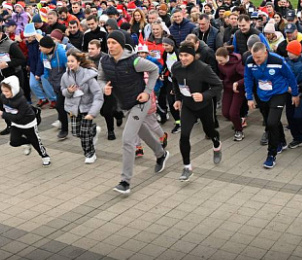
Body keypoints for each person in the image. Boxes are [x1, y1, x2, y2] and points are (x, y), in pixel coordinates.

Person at [98, 30, 170, 195]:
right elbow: (100, 78)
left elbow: (154, 70)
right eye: (108, 43)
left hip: (141, 102)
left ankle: (125, 181)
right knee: (141, 131)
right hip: (125, 104)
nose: (110, 46)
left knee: (127, 139)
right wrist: (104, 88)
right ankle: (161, 154)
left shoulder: (135, 60)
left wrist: (147, 91)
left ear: (122, 45)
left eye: (114, 43)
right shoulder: (104, 61)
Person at [171, 41, 224, 181]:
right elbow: (175, 82)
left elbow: (218, 85)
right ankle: (187, 167)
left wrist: (204, 95)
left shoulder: (203, 68)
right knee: (184, 136)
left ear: (193, 56)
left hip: (204, 106)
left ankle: (217, 143)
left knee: (209, 131)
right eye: (181, 55)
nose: (183, 58)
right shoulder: (176, 67)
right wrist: (178, 99)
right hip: (188, 106)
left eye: (186, 55)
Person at [244, 42, 300, 169]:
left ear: (266, 53)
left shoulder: (278, 61)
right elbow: (247, 78)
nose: (256, 60)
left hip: (278, 93)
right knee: (271, 120)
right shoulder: (249, 61)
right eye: (254, 57)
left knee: (271, 123)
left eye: (258, 57)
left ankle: (271, 155)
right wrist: (249, 97)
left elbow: (290, 77)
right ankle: (281, 140)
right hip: (262, 95)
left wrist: (295, 94)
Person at [0, 76, 50, 165]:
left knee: (36, 143)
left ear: (14, 90)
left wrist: (3, 114)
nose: (4, 93)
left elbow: (19, 116)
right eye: (3, 91)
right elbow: (8, 111)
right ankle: (28, 142)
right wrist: (5, 115)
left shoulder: (21, 100)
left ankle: (45, 156)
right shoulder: (3, 97)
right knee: (14, 142)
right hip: (16, 124)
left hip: (28, 123)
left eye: (7, 91)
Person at [60, 52, 104, 164]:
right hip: (73, 109)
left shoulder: (88, 76)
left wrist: (93, 112)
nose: (69, 64)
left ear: (78, 62)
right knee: (76, 133)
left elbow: (98, 94)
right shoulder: (65, 76)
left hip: (87, 108)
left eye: (72, 61)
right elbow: (63, 90)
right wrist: (69, 91)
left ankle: (90, 154)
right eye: (68, 61)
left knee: (84, 134)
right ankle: (93, 131)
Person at [38, 34, 69, 140]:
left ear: (48, 47)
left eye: (41, 46)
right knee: (62, 106)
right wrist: (47, 78)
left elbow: (69, 68)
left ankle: (64, 130)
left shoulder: (61, 53)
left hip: (64, 84)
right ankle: (61, 120)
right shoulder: (43, 54)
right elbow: (45, 67)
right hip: (54, 82)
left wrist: (67, 82)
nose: (39, 48)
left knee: (60, 105)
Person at [284, 40, 302, 150]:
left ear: (297, 52)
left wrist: (298, 88)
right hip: (288, 92)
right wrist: (287, 87)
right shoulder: (285, 62)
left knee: (299, 116)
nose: (289, 54)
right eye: (288, 52)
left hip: (301, 92)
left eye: (291, 52)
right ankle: (297, 137)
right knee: (290, 116)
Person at [215, 46, 245, 141]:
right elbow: (222, 74)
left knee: (233, 113)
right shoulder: (220, 64)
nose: (219, 63)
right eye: (218, 61)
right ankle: (238, 121)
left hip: (238, 89)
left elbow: (246, 77)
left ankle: (239, 130)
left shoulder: (237, 63)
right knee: (225, 113)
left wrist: (237, 83)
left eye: (221, 60)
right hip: (227, 88)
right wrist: (221, 82)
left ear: (227, 56)